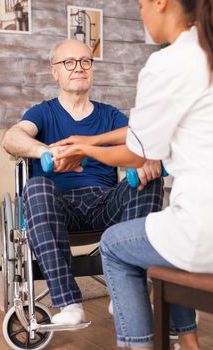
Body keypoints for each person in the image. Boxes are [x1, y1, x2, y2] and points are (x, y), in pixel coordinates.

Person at [54, 0, 213, 348]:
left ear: (161, 3)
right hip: (198, 225)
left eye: (141, 4)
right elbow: (144, 136)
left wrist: (82, 149)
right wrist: (91, 141)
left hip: (203, 230)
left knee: (114, 245)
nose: (140, 13)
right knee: (162, 238)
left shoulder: (168, 62)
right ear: (56, 72)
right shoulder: (205, 50)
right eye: (69, 63)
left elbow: (137, 149)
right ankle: (188, 341)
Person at [1, 39, 164, 326]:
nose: (79, 68)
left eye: (85, 61)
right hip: (58, 206)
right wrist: (46, 150)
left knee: (147, 181)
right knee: (35, 187)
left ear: (91, 68)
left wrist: (146, 156)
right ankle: (69, 304)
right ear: (55, 71)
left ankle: (126, 293)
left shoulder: (109, 115)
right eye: (69, 62)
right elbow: (11, 138)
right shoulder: (43, 112)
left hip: (104, 201)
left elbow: (139, 139)